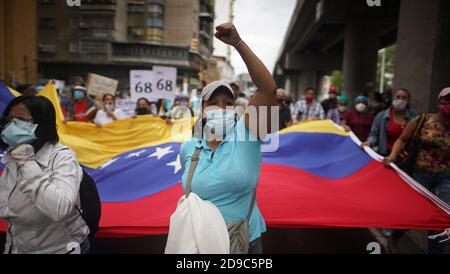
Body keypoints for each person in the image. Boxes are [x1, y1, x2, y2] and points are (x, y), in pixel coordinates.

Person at [180, 22, 277, 254]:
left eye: (227, 103)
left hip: (243, 243)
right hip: (199, 244)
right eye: (213, 103)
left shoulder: (248, 135)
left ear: (235, 107)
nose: (220, 108)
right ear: (202, 109)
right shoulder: (189, 148)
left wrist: (238, 44)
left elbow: (268, 90)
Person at [0, 96, 90, 254]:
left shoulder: (62, 157)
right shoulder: (11, 158)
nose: (12, 126)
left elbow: (59, 209)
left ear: (41, 123)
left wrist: (27, 163)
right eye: (9, 120)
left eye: (20, 119)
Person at [363, 88, 417, 156]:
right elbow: (374, 135)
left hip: (406, 157)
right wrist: (369, 142)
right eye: (397, 97)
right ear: (393, 98)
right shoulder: (381, 116)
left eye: (404, 98)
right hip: (385, 154)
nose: (400, 100)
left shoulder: (414, 117)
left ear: (408, 101)